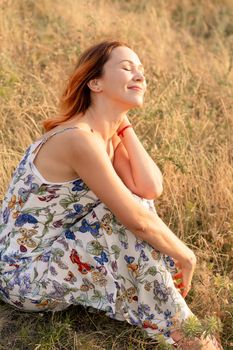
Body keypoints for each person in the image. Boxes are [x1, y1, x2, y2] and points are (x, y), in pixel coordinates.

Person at [0, 40, 222, 349]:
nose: (140, 76)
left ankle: (164, 307)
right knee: (119, 217)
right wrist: (185, 254)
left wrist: (124, 126)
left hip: (52, 257)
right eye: (127, 68)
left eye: (141, 70)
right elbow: (137, 221)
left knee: (132, 203)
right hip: (22, 278)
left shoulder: (103, 136)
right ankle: (183, 332)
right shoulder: (78, 139)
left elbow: (149, 188)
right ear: (95, 82)